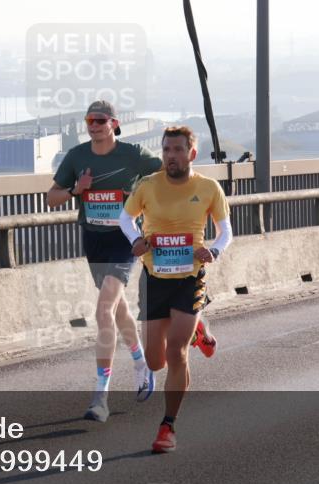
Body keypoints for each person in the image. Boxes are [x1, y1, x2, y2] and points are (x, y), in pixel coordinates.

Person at [118, 126, 232, 453]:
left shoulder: (208, 188)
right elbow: (126, 220)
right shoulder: (148, 185)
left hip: (189, 279)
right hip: (155, 278)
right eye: (167, 149)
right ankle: (199, 330)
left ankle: (167, 426)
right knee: (156, 362)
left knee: (175, 351)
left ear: (191, 154)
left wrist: (213, 251)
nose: (171, 156)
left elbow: (226, 232)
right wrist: (136, 241)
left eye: (178, 150)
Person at [47, 100, 163, 422]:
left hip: (125, 240)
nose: (93, 125)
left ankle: (101, 395)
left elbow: (167, 170)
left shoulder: (133, 154)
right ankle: (141, 362)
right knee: (117, 307)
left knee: (103, 309)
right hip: (94, 240)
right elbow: (51, 197)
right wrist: (75, 190)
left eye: (100, 120)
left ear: (114, 123)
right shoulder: (77, 156)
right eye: (89, 120)